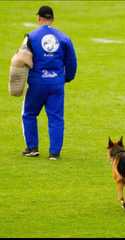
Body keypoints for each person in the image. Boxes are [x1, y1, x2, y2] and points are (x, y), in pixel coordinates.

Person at [21, 6, 77, 160]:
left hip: (37, 83)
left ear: (39, 18)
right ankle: (54, 153)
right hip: (56, 83)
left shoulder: (31, 37)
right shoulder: (64, 38)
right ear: (52, 19)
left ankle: (32, 148)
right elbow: (72, 62)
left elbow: (21, 60)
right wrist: (66, 78)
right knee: (56, 118)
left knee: (29, 114)